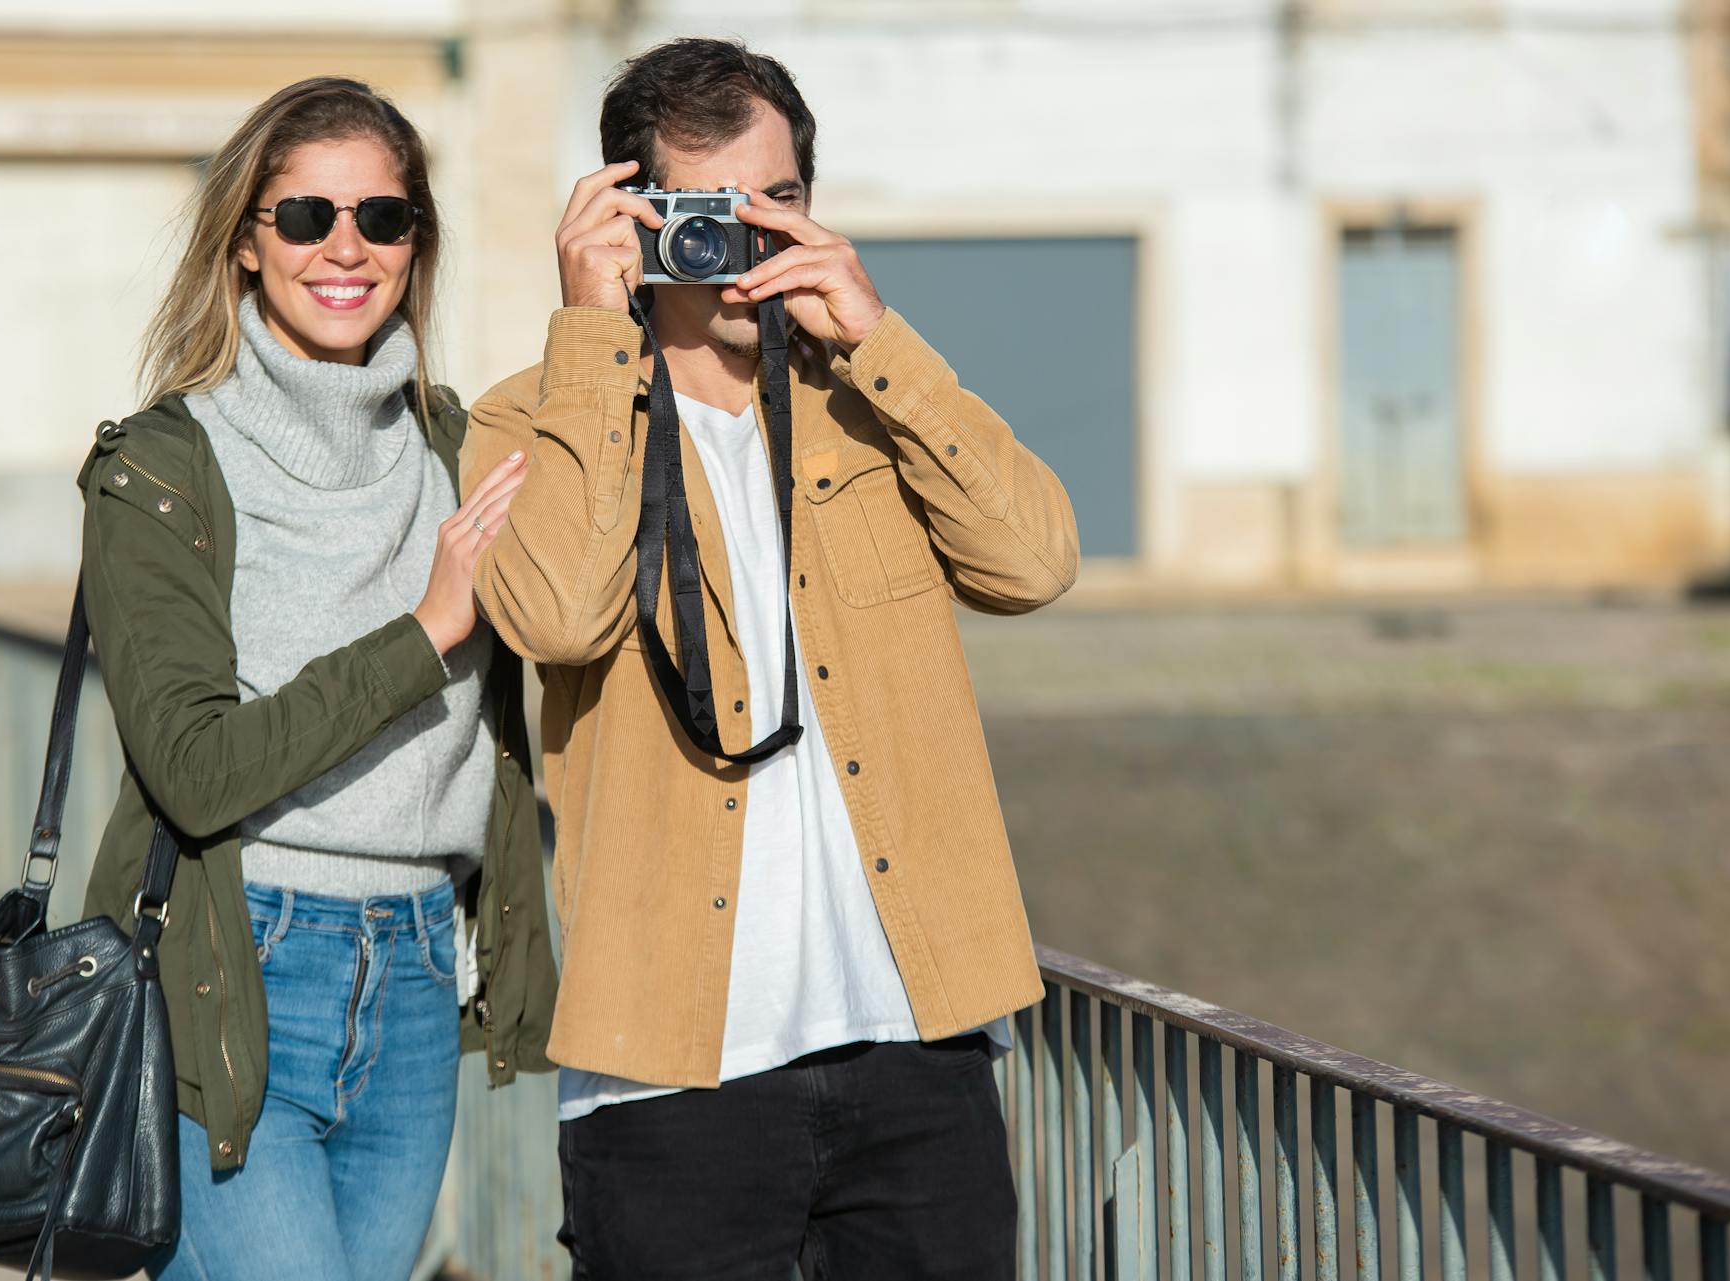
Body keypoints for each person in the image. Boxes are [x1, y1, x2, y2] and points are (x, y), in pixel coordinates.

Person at [465, 37, 1079, 1280]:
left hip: (920, 1048)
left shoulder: (872, 400)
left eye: (780, 202)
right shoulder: (530, 415)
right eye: (712, 209)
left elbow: (1035, 563)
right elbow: (559, 621)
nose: (751, 242)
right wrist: (593, 334)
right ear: (632, 216)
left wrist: (878, 338)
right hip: (667, 1074)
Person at [75, 77, 556, 1281]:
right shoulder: (164, 469)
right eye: (305, 218)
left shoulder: (463, 447)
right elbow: (195, 771)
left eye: (383, 219)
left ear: (415, 243)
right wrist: (427, 630)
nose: (346, 248)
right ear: (247, 241)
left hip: (417, 973)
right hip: (239, 964)